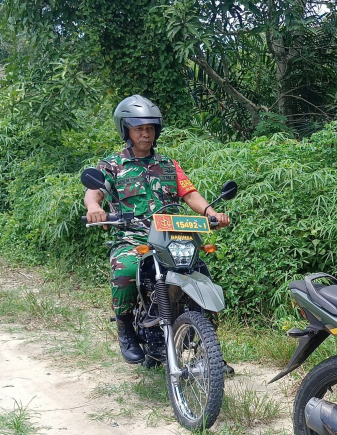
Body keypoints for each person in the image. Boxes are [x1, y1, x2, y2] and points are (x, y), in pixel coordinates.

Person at [83, 95, 232, 365]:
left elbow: (189, 194)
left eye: (150, 128)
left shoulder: (168, 165)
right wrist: (95, 207)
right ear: (126, 130)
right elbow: (93, 193)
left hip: (171, 238)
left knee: (201, 275)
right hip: (133, 238)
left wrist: (211, 213)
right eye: (139, 128)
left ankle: (211, 353)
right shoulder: (112, 165)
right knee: (126, 270)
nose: (145, 133)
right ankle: (125, 328)